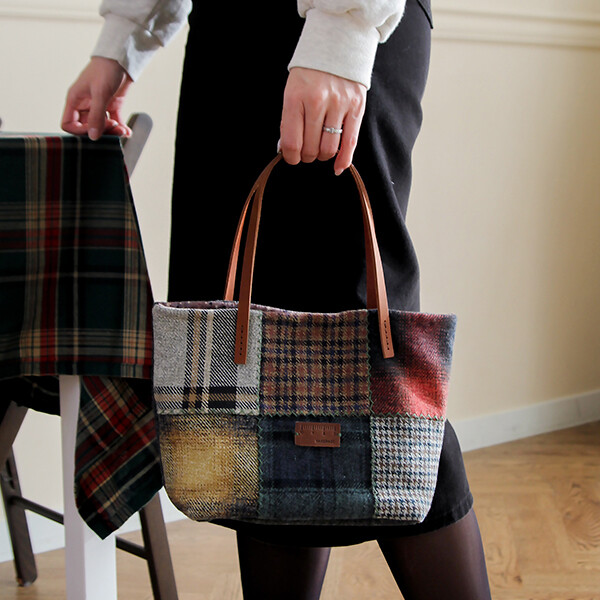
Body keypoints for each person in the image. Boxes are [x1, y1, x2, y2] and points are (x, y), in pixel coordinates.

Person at [62, 1, 492, 598]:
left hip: (336, 24)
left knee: (363, 361)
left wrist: (344, 28)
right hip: (227, 36)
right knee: (252, 365)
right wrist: (121, 40)